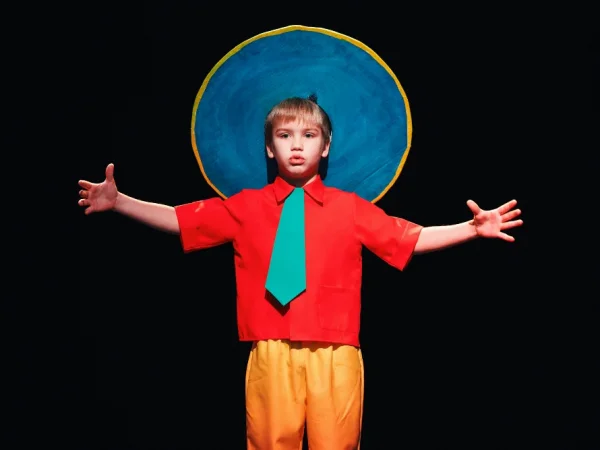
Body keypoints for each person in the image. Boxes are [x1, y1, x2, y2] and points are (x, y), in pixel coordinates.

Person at [78, 27, 523, 450]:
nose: (296, 145)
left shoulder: (350, 208)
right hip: (271, 348)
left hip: (336, 351)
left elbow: (409, 238)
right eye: (284, 135)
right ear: (269, 147)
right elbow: (182, 220)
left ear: (325, 147)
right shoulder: (246, 207)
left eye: (308, 136)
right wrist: (120, 202)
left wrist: (471, 229)